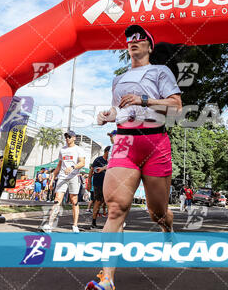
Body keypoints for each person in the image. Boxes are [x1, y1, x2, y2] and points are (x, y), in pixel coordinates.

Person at [86, 24, 182, 290]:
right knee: (116, 208)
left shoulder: (160, 72)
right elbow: (120, 111)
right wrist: (108, 115)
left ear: (150, 46)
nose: (133, 41)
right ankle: (107, 279)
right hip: (125, 141)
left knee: (158, 213)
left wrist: (144, 100)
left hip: (155, 142)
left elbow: (176, 105)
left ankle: (168, 230)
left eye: (140, 38)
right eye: (130, 38)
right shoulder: (118, 79)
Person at [41, 130, 86, 233]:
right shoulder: (62, 150)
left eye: (69, 136)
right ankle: (49, 225)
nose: (67, 138)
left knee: (74, 200)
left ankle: (75, 225)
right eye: (66, 136)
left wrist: (73, 167)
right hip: (62, 177)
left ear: (74, 138)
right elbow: (59, 165)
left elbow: (82, 163)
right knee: (57, 199)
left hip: (74, 176)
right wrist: (52, 179)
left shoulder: (78, 149)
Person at [88, 146, 110, 229]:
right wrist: (89, 183)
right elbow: (91, 171)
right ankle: (93, 222)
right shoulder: (98, 160)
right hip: (98, 184)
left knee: (108, 203)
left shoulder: (112, 161)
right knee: (97, 202)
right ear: (106, 152)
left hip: (109, 185)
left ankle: (110, 224)